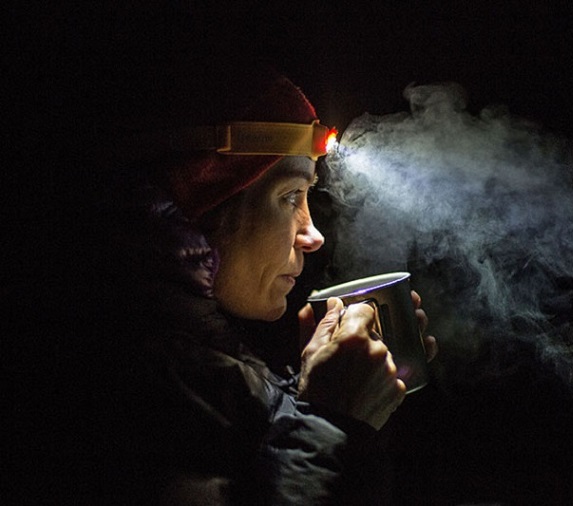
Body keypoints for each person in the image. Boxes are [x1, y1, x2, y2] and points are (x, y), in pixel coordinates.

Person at [31, 64, 437, 504]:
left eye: (308, 197)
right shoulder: (120, 387)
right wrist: (330, 421)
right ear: (201, 207)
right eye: (289, 198)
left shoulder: (199, 367)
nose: (313, 235)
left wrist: (345, 400)